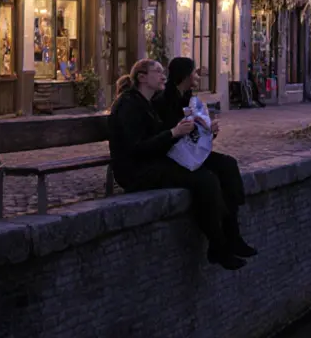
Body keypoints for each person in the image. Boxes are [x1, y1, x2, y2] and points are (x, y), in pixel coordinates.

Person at [108, 58, 252, 271]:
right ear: (142, 77)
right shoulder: (130, 104)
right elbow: (136, 148)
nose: (163, 75)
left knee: (222, 168)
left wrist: (200, 131)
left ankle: (229, 236)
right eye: (157, 71)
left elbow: (161, 139)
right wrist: (174, 133)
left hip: (155, 161)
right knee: (205, 180)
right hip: (136, 170)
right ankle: (218, 246)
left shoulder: (146, 102)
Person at [153, 56, 256, 258]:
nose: (198, 76)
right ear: (184, 75)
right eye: (194, 72)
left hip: (191, 151)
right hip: (175, 155)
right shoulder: (163, 101)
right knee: (209, 180)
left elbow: (195, 132)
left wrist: (209, 130)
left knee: (227, 164)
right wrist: (184, 129)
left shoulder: (190, 98)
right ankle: (219, 244)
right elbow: (168, 133)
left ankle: (233, 233)